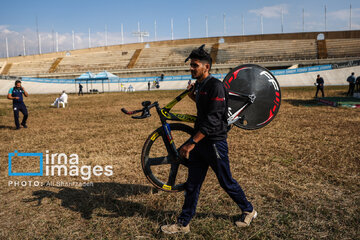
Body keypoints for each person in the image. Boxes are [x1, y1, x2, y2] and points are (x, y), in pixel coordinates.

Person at [161, 45, 256, 234]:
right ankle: (183, 223)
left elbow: (213, 118)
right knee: (193, 184)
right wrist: (192, 97)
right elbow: (206, 107)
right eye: (191, 65)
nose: (191, 68)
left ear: (206, 67)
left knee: (226, 181)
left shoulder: (216, 86)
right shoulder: (201, 85)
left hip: (214, 143)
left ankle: (249, 210)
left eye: (195, 65)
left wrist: (191, 142)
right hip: (201, 142)